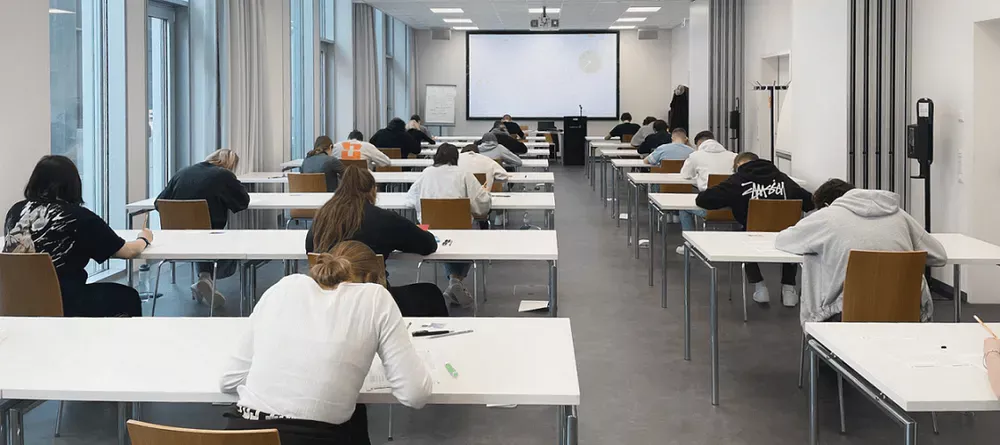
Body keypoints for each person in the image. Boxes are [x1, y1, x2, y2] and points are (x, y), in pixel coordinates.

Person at [220, 243, 433, 445]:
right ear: (371, 277)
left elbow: (229, 381)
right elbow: (415, 395)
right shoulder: (376, 297)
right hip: (314, 439)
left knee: (356, 417)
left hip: (243, 432)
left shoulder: (283, 286)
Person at [775, 179, 946, 323]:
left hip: (847, 313)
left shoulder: (826, 216)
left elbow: (784, 240)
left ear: (826, 205)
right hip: (905, 311)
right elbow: (939, 256)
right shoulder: (899, 215)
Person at [3, 155, 150, 317]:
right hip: (65, 302)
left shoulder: (15, 211)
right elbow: (127, 252)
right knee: (128, 297)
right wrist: (143, 238)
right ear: (73, 185)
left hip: (16, 300)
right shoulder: (78, 217)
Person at [305, 167, 445, 316]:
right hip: (374, 303)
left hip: (326, 301)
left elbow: (310, 250)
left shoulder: (322, 216)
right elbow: (428, 244)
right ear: (372, 190)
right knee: (431, 293)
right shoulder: (382, 219)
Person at [696, 152, 814, 306]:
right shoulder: (783, 178)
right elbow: (809, 202)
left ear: (738, 166)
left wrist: (732, 201)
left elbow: (704, 200)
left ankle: (760, 287)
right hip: (786, 236)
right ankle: (789, 289)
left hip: (751, 236)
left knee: (741, 236)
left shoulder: (737, 180)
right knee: (791, 236)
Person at [157, 148, 249, 308]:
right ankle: (206, 279)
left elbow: (159, 203)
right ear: (230, 164)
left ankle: (204, 279)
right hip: (209, 238)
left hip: (175, 239)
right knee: (230, 237)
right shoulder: (224, 175)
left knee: (200, 232)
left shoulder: (183, 172)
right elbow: (243, 202)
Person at [406, 144, 491, 306]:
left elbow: (410, 199)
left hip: (430, 229)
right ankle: (455, 280)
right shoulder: (463, 174)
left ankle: (454, 282)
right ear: (455, 158)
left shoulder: (426, 173)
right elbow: (481, 201)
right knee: (469, 235)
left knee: (444, 234)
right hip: (461, 228)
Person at [676, 131, 738, 239]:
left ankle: (690, 245)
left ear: (699, 143)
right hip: (734, 208)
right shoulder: (733, 156)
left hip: (709, 207)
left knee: (684, 208)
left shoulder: (695, 156)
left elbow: (685, 175)